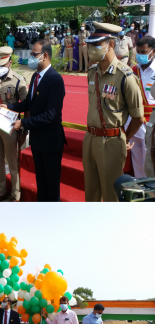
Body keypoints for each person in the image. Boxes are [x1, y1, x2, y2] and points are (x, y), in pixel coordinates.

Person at [83, 22, 144, 202]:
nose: (91, 49)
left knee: (112, 196)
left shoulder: (125, 76)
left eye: (96, 45)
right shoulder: (92, 72)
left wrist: (122, 136)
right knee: (91, 194)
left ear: (110, 44)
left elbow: (138, 118)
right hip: (90, 139)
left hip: (111, 142)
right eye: (90, 44)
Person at [5, 40, 66, 202]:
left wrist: (23, 123)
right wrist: (9, 107)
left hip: (51, 141)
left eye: (34, 54)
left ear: (45, 55)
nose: (31, 57)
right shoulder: (35, 77)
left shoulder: (55, 80)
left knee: (51, 187)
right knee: (41, 183)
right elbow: (29, 103)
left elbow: (50, 115)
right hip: (38, 140)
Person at [0, 46, 29, 202]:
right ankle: (1, 191)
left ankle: (15, 194)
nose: (0, 68)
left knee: (12, 162)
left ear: (10, 62)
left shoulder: (18, 80)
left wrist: (23, 128)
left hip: (11, 128)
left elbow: (26, 105)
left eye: (3, 65)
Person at [130, 36, 155, 179]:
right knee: (137, 159)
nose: (140, 55)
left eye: (144, 52)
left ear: (153, 51)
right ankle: (141, 189)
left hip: (152, 123)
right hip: (135, 122)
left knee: (150, 159)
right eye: (138, 52)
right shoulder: (133, 70)